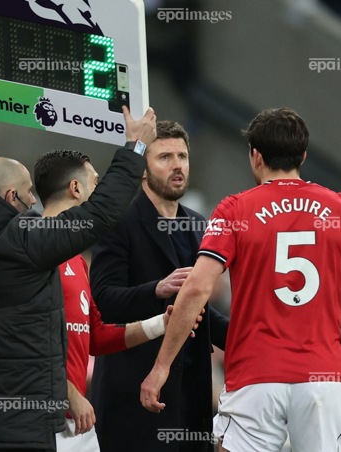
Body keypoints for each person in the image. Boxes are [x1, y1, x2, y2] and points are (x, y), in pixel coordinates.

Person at [141, 108, 341, 452]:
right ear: (302, 156)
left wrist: (161, 366)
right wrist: (339, 296)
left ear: (256, 156)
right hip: (322, 379)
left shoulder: (235, 210)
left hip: (255, 378)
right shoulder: (340, 208)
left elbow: (197, 288)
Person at [0, 83, 154, 451]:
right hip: (24, 427)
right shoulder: (25, 242)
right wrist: (135, 147)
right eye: (29, 192)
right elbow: (99, 214)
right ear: (11, 196)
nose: (34, 201)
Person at [32, 149, 203, 451]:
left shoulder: (77, 261)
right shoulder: (32, 255)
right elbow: (24, 339)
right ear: (76, 188)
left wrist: (162, 323)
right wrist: (68, 394)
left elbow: (97, 335)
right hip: (41, 418)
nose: (101, 194)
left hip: (76, 422)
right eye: (97, 183)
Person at [89, 120, 229, 451]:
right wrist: (156, 290)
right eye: (165, 157)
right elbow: (104, 301)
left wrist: (249, 340)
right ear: (142, 169)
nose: (177, 165)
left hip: (190, 392)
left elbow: (199, 311)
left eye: (182, 156)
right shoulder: (119, 220)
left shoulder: (199, 224)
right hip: (133, 392)